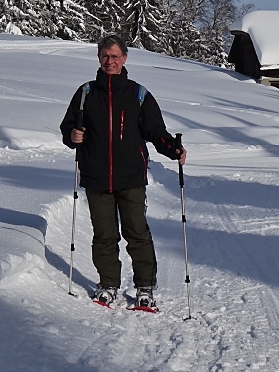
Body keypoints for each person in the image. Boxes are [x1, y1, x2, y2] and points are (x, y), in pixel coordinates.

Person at [60, 35, 186, 309]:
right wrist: (73, 135)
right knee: (104, 235)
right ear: (98, 58)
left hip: (130, 177)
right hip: (96, 176)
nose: (110, 61)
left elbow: (155, 131)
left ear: (125, 58)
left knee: (137, 233)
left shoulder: (138, 94)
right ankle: (108, 285)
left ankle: (145, 288)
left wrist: (172, 149)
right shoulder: (85, 93)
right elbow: (67, 129)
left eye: (115, 56)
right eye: (105, 56)